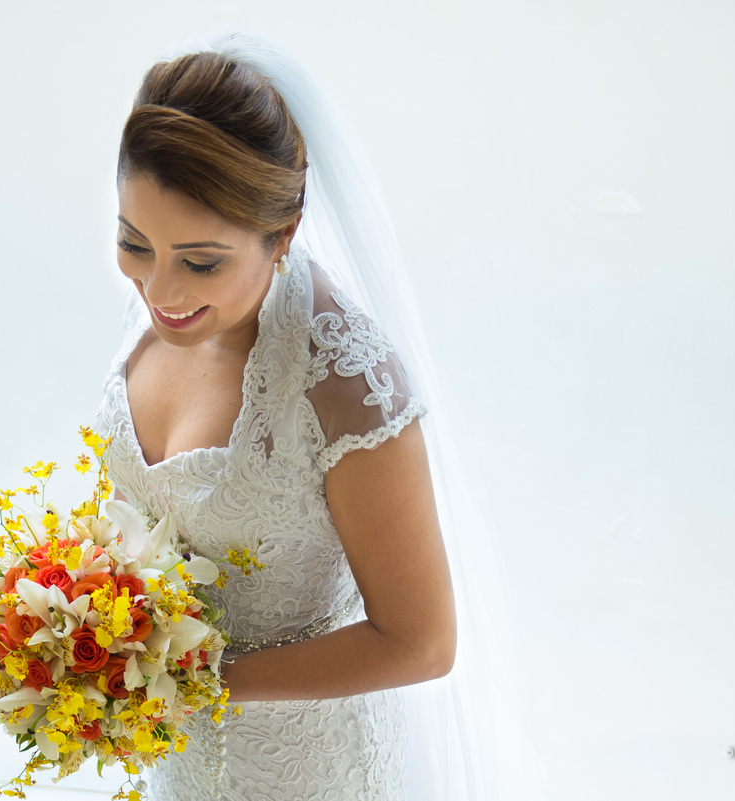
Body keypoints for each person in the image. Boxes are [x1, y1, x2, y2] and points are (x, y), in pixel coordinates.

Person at [95, 32, 537, 801]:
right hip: (180, 765)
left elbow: (424, 642)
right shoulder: (168, 319)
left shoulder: (346, 387)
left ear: (284, 234)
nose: (158, 289)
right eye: (134, 243)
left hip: (307, 775)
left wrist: (197, 683)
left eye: (200, 260)